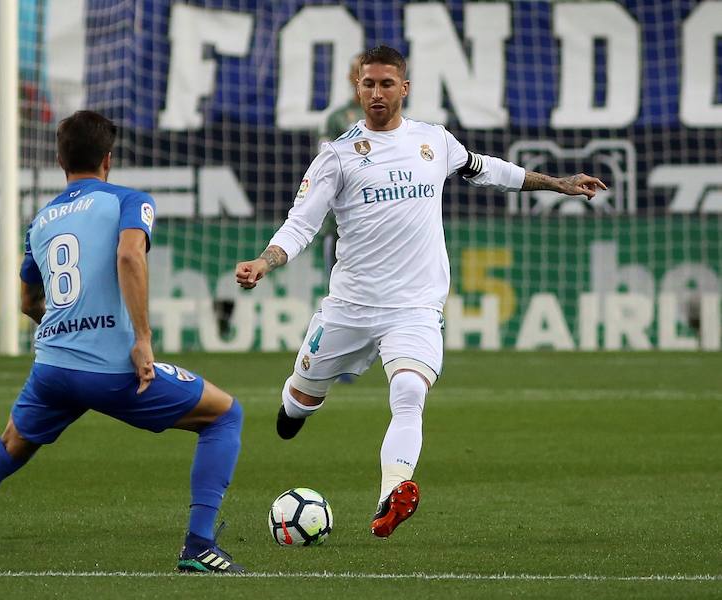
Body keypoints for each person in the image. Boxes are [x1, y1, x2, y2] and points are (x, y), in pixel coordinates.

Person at [235, 46, 606, 539]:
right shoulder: (337, 156)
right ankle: (296, 408)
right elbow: (300, 225)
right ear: (358, 89)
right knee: (299, 402)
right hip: (349, 308)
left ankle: (393, 492)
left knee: (409, 391)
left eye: (387, 84)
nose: (377, 93)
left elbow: (490, 170)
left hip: (414, 308)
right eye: (368, 84)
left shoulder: (435, 141)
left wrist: (558, 183)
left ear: (404, 88)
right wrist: (265, 261)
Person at [0, 110, 245, 574]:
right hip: (111, 371)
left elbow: (27, 302)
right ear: (109, 158)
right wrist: (142, 338)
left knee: (5, 450)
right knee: (224, 415)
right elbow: (128, 254)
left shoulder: (41, 222)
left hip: (52, 371)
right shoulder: (129, 199)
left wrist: (65, 326)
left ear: (61, 162)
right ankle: (199, 545)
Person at [318, 53, 364, 384]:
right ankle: (336, 360)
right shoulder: (339, 118)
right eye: (360, 73)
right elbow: (327, 167)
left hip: (381, 225)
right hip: (342, 225)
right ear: (352, 78)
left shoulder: (396, 120)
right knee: (340, 291)